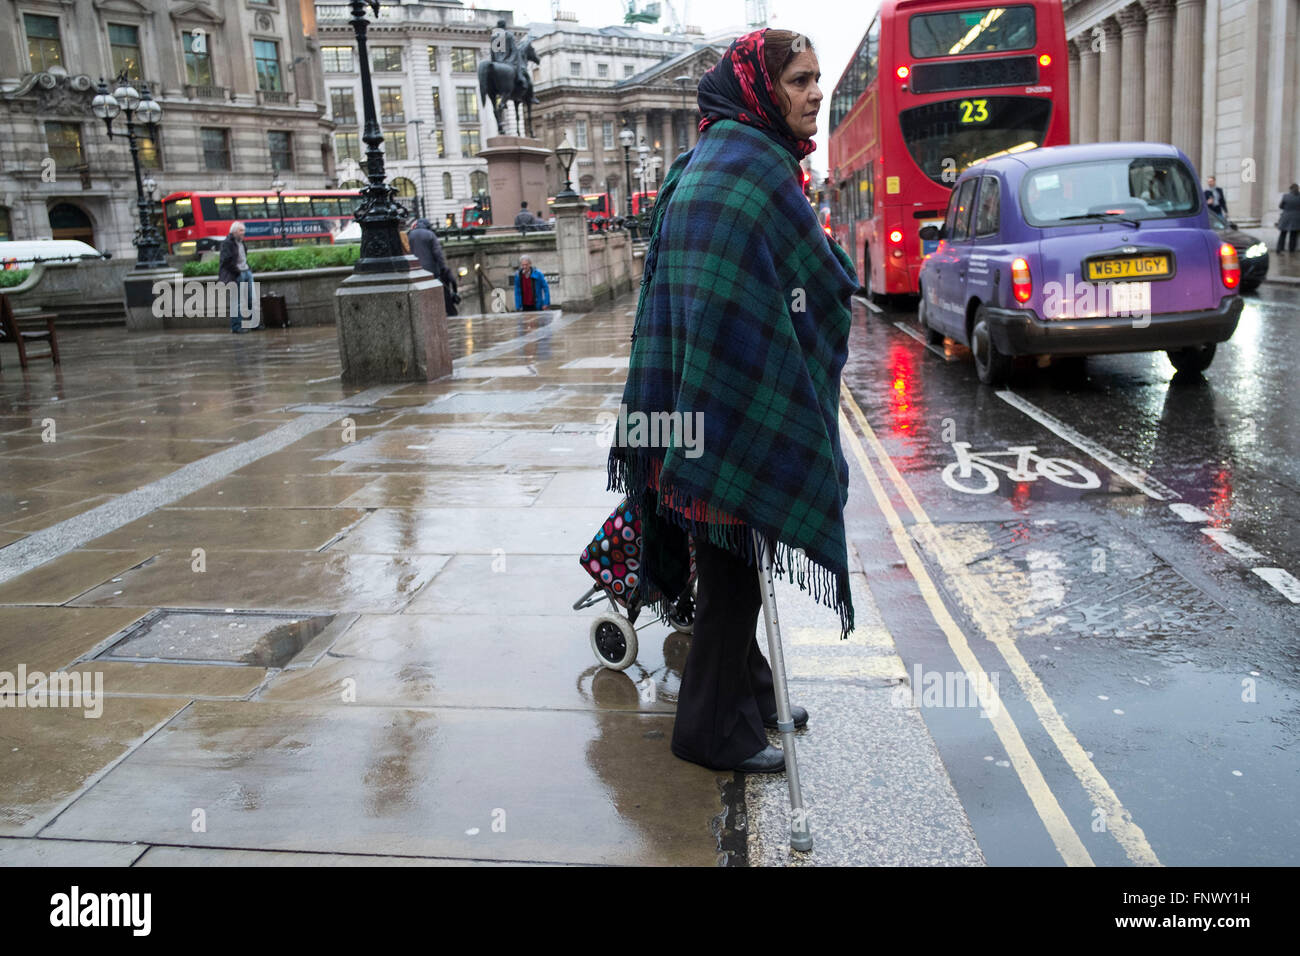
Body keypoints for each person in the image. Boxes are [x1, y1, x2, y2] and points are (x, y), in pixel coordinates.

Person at [609, 29, 858, 775]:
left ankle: (750, 689)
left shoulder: (705, 158)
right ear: (761, 88)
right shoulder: (756, 169)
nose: (817, 93)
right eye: (800, 81)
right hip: (720, 413)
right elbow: (823, 281)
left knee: (735, 564)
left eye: (819, 79)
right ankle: (711, 730)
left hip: (678, 407)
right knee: (727, 575)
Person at [408, 217, 459, 316]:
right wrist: (443, 268)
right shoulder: (430, 235)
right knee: (439, 294)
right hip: (430, 271)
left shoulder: (410, 234)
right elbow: (438, 253)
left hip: (415, 271)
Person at [219, 221, 255, 333]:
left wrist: (248, 269)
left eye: (243, 230)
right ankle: (236, 327)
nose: (243, 233)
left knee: (251, 299)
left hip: (246, 272)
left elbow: (243, 257)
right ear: (234, 231)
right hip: (236, 275)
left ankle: (253, 323)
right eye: (241, 231)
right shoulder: (227, 243)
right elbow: (226, 261)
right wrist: (238, 272)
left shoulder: (241, 242)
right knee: (237, 302)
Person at [1278, 183, 1300, 253]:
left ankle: (1280, 249)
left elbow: (1281, 206)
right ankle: (1291, 250)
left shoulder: (1286, 196)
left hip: (1286, 217)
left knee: (1283, 234)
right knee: (1293, 235)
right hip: (1297, 218)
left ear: (1290, 189)